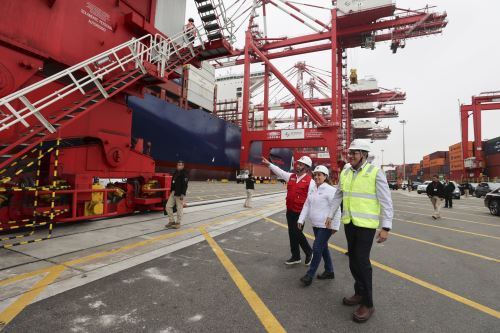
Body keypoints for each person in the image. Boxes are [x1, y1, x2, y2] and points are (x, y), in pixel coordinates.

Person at [326, 139, 393, 323]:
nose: (351, 156)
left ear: (363, 154)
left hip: (366, 225)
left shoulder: (375, 172)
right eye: (350, 153)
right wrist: (331, 214)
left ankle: (368, 303)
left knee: (362, 262)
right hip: (350, 222)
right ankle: (359, 293)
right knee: (353, 261)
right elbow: (338, 194)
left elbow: (386, 201)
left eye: (354, 153)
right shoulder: (346, 172)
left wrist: (385, 227)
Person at [262, 155, 315, 265]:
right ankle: (296, 256)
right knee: (292, 233)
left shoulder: (310, 182)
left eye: (301, 164)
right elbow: (280, 172)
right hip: (290, 211)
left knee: (297, 233)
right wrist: (269, 165)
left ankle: (309, 252)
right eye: (298, 163)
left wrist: (307, 215)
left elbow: (311, 200)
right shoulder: (291, 176)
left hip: (300, 212)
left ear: (306, 168)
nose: (298, 165)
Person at [297, 165, 341, 286]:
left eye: (319, 175)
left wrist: (335, 226)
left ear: (325, 176)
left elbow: (336, 208)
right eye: (315, 175)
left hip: (326, 225)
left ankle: (309, 275)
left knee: (317, 248)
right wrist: (301, 220)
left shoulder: (330, 190)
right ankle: (329, 271)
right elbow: (307, 205)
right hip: (316, 224)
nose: (316, 177)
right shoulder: (313, 189)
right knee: (323, 248)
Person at [166, 161, 189, 229]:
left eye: (180, 165)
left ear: (183, 166)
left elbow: (185, 185)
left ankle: (178, 223)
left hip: (179, 193)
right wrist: (171, 191)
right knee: (168, 206)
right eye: (178, 165)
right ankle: (172, 221)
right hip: (173, 192)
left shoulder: (184, 174)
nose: (179, 166)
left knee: (179, 208)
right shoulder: (175, 172)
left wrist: (183, 194)